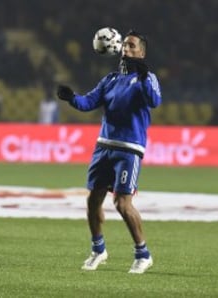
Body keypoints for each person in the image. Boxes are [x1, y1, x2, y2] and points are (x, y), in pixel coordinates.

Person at [57, 29, 162, 273]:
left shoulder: (148, 78)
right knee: (93, 200)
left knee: (122, 204)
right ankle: (98, 250)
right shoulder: (111, 79)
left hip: (129, 149)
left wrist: (144, 76)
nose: (126, 49)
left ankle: (143, 254)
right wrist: (71, 97)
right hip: (103, 146)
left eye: (132, 46)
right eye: (124, 45)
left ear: (142, 52)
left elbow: (154, 100)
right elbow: (88, 103)